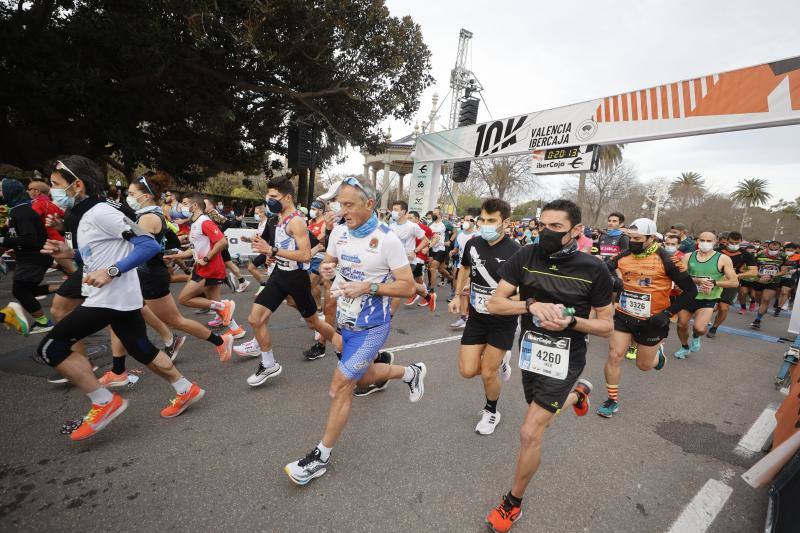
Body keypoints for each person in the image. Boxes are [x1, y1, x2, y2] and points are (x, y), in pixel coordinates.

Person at [37, 156, 205, 441]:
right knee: (142, 351)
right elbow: (99, 251)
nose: (51, 192)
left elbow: (148, 244)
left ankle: (104, 402)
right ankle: (185, 388)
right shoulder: (88, 213)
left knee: (50, 349)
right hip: (120, 299)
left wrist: (111, 272)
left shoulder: (101, 212)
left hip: (108, 297)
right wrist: (68, 254)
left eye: (55, 185)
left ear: (77, 185)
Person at [283, 176, 426, 485]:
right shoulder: (339, 233)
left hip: (372, 327)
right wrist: (325, 268)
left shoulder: (387, 240)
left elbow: (406, 287)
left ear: (369, 204)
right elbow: (329, 262)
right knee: (362, 377)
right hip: (345, 323)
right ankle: (410, 373)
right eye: (339, 204)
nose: (342, 210)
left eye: (348, 204)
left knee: (340, 386)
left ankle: (320, 456)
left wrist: (369, 286)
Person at [483, 199, 613, 532]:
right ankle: (579, 395)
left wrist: (570, 322)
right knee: (539, 420)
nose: (547, 232)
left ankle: (513, 502)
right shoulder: (526, 255)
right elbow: (495, 303)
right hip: (531, 352)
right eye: (543, 225)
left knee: (529, 431)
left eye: (556, 227)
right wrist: (531, 305)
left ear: (577, 231)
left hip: (567, 357)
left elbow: (605, 326)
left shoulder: (594, 269)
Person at [96, 174, 236, 386]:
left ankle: (218, 340)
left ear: (146, 195)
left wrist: (115, 266)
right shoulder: (147, 214)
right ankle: (119, 369)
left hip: (149, 276)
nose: (128, 197)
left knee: (173, 320)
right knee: (116, 319)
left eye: (132, 194)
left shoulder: (148, 218)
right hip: (145, 275)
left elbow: (139, 248)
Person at [238, 176, 337, 385]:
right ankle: (269, 364)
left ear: (288, 197)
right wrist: (269, 250)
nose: (269, 200)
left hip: (296, 278)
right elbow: (282, 248)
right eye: (268, 195)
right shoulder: (278, 218)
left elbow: (305, 256)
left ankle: (343, 346)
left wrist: (273, 250)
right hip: (279, 275)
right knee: (255, 319)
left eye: (273, 196)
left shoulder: (296, 221)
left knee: (314, 323)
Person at [597, 218, 697, 418]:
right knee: (614, 355)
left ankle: (657, 355)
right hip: (624, 315)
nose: (632, 242)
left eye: (637, 238)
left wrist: (668, 313)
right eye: (630, 237)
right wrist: (615, 282)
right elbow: (604, 269)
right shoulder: (624, 255)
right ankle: (612, 400)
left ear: (652, 238)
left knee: (643, 366)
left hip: (654, 320)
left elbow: (690, 291)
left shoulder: (668, 260)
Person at [450, 198, 519, 435]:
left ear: (505, 222)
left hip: (502, 320)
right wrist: (457, 295)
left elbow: (524, 292)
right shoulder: (472, 243)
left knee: (488, 373)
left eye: (492, 220)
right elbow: (465, 269)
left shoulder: (517, 251)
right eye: (483, 219)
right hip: (477, 316)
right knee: (468, 371)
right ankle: (500, 359)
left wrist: (505, 303)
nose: (485, 224)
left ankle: (491, 411)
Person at [167, 193, 239, 353]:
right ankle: (236, 329)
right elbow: (192, 251)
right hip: (203, 267)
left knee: (184, 299)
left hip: (210, 268)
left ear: (194, 206)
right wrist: (173, 256)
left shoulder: (204, 222)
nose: (182, 207)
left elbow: (222, 241)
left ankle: (224, 306)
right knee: (214, 303)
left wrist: (206, 258)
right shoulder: (195, 223)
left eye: (185, 203)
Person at [0, 178, 55, 333]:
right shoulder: (17, 209)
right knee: (28, 290)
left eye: (1, 189)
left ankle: (44, 323)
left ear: (10, 191)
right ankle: (69, 287)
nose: (0, 193)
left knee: (20, 290)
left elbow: (30, 238)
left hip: (34, 257)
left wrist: (4, 240)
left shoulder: (22, 211)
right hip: (32, 257)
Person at [675, 231, 739, 358]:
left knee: (699, 328)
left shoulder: (723, 259)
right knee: (681, 324)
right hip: (688, 296)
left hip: (708, 298)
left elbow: (734, 282)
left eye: (709, 241)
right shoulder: (688, 257)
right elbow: (680, 278)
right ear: (697, 241)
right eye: (702, 240)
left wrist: (714, 283)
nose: (705, 243)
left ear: (715, 243)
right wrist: (697, 280)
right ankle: (684, 346)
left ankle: (695, 336)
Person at [707, 231, 757, 336]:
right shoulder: (717, 251)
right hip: (715, 281)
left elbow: (754, 272)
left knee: (724, 307)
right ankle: (703, 320)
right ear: (726, 241)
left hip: (731, 283)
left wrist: (736, 276)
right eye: (731, 242)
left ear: (741, 242)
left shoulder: (746, 254)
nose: (733, 245)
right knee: (709, 305)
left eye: (736, 243)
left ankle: (714, 328)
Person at [388, 201, 433, 312]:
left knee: (397, 287)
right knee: (409, 285)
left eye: (396, 209)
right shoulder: (391, 226)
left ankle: (389, 317)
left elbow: (426, 240)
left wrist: (415, 250)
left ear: (403, 212)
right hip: (392, 261)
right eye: (392, 209)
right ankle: (428, 296)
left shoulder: (412, 226)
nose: (393, 212)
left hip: (408, 261)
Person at [27, 179, 76, 274]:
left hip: (52, 242)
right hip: (58, 240)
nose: (27, 191)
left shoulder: (37, 204)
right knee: (69, 269)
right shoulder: (51, 204)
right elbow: (65, 216)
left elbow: (30, 220)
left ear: (37, 191)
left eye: (29, 189)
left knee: (73, 271)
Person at [750, 240, 788, 329]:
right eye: (771, 248)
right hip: (759, 280)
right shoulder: (759, 254)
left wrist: (772, 276)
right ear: (768, 247)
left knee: (766, 299)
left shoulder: (783, 256)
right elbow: (753, 268)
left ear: (780, 248)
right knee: (758, 300)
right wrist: (761, 275)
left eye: (776, 249)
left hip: (773, 281)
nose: (773, 250)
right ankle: (762, 308)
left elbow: (784, 271)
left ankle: (757, 320)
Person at [449, 213, 476, 326]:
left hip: (472, 268)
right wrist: (453, 252)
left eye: (470, 220)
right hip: (460, 265)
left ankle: (467, 317)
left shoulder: (477, 235)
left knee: (466, 292)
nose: (467, 221)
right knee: (460, 290)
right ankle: (464, 317)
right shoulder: (460, 234)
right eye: (465, 219)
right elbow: (457, 248)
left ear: (474, 222)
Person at [405, 210, 436, 310]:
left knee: (408, 278)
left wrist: (428, 247)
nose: (408, 220)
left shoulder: (424, 228)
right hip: (407, 256)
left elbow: (436, 237)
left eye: (411, 218)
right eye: (407, 217)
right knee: (417, 278)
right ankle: (427, 296)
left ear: (417, 219)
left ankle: (416, 293)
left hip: (419, 256)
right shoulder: (405, 227)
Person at [426, 210, 450, 305]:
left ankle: (431, 290)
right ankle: (451, 278)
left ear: (439, 215)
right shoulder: (430, 224)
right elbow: (428, 235)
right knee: (440, 269)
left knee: (433, 268)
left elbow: (455, 231)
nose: (433, 215)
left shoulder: (445, 223)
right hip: (432, 248)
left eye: (435, 214)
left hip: (441, 248)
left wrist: (450, 241)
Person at [775, 243, 798, 315]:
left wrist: (796, 269)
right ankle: (777, 300)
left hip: (789, 278)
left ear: (795, 250)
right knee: (777, 292)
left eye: (792, 250)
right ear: (785, 249)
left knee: (785, 292)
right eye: (788, 250)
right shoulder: (780, 255)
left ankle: (778, 308)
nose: (790, 251)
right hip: (779, 276)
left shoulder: (798, 257)